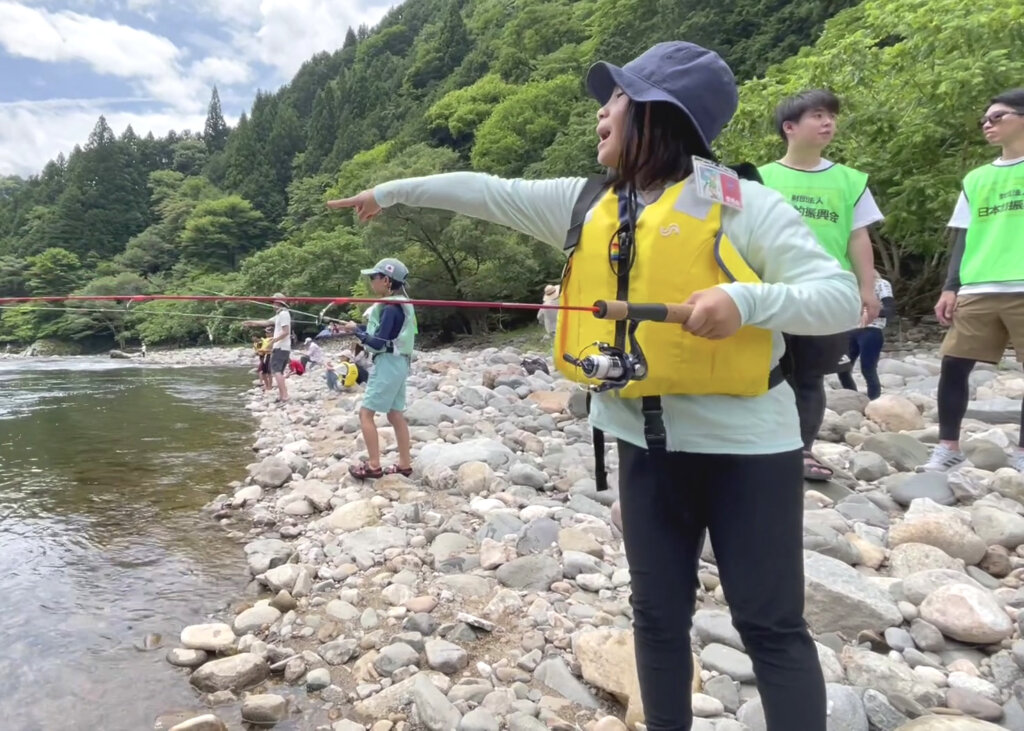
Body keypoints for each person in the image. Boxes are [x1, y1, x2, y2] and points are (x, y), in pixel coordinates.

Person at [327, 41, 860, 731]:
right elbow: (486, 191)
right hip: (643, 444)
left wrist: (744, 301)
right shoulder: (585, 203)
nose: (601, 113)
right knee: (657, 617)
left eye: (615, 99)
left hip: (750, 449)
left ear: (659, 114)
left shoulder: (745, 206)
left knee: (770, 625)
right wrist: (391, 191)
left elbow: (839, 297)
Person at [758, 89, 885, 481]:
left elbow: (857, 237)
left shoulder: (849, 180)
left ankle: (802, 451)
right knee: (762, 373)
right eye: (817, 115)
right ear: (790, 127)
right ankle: (759, 448)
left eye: (831, 115)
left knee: (810, 376)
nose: (828, 121)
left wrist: (868, 289)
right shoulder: (759, 178)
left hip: (826, 296)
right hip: (769, 294)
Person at [919, 88, 1024, 474]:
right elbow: (963, 234)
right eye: (984, 119)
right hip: (979, 286)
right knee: (954, 364)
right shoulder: (976, 178)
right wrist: (950, 285)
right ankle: (948, 446)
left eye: (998, 117)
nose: (987, 124)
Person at [333, 258, 417, 480]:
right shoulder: (398, 305)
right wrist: (357, 328)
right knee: (395, 413)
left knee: (366, 413)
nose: (372, 282)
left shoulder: (391, 308)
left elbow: (378, 343)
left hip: (388, 363)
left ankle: (373, 465)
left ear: (387, 281)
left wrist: (357, 333)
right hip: (400, 363)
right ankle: (405, 465)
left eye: (374, 277)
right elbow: (385, 333)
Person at [838, 271, 896, 400]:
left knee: (868, 369)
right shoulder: (850, 286)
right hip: (850, 330)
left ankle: (874, 400)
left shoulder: (881, 284)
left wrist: (867, 310)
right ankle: (852, 397)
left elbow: (890, 310)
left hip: (871, 330)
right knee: (842, 368)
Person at [242, 293, 291, 402]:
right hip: (282, 347)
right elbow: (266, 322)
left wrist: (273, 341)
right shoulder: (280, 315)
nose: (272, 305)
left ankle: (285, 396)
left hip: (281, 347)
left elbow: (286, 332)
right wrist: (251, 323)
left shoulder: (283, 314)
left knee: (276, 371)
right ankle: (282, 394)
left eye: (273, 302)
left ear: (278, 303)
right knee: (279, 372)